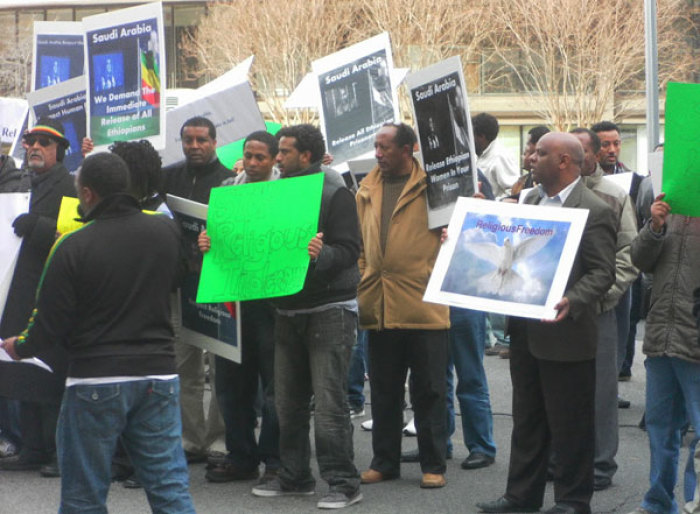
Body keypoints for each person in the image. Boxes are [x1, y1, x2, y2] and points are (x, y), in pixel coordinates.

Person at [1, 152, 195, 513]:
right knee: (169, 486)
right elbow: (178, 279)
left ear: (87, 194)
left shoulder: (71, 245)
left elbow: (48, 322)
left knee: (83, 495)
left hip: (95, 379)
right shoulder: (165, 230)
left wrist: (20, 346)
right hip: (158, 373)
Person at [477, 132, 616, 514]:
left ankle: (572, 501)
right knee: (528, 421)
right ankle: (521, 497)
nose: (530, 158)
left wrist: (574, 298)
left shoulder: (595, 209)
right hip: (525, 332)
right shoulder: (530, 200)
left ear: (564, 162)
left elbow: (603, 272)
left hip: (567, 335)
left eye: (540, 153)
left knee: (570, 425)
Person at [250, 124, 362, 509]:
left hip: (329, 311)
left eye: (284, 152)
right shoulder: (270, 195)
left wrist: (323, 254)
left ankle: (344, 483)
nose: (277, 158)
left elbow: (350, 250)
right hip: (286, 311)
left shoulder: (335, 194)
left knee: (330, 406)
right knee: (287, 404)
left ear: (307, 156)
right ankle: (295, 477)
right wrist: (218, 246)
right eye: (277, 152)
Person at [357, 122, 450, 490]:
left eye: (385, 147)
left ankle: (433, 464)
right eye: (376, 147)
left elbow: (458, 232)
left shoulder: (436, 186)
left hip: (423, 303)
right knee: (383, 389)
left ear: (408, 149)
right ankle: (384, 462)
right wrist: (365, 272)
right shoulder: (366, 188)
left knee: (429, 391)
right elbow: (362, 245)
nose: (378, 154)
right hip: (378, 304)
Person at [197, 131, 281, 484]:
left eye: (261, 157)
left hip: (272, 303)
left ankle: (275, 459)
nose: (254, 163)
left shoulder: (288, 193)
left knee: (274, 386)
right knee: (231, 386)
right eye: (249, 155)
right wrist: (206, 241)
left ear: (275, 158)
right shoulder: (228, 190)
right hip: (234, 302)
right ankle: (241, 456)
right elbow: (217, 239)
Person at [0, 119, 75, 476]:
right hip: (20, 288)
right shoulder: (23, 184)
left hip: (53, 291)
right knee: (22, 369)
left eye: (44, 142)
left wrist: (40, 227)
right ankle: (33, 446)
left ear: (59, 149)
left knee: (51, 373)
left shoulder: (71, 185)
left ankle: (59, 452)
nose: (34, 147)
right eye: (30, 140)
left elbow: (74, 235)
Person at [571, 127, 638, 491]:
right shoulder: (545, 196)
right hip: (561, 312)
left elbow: (630, 252)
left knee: (601, 391)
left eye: (580, 150)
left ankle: (600, 466)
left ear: (594, 154)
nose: (573, 158)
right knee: (561, 389)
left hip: (599, 309)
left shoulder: (614, 196)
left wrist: (605, 292)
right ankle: (560, 460)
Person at [162, 116, 233, 462]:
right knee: (183, 365)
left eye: (201, 140)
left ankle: (219, 438)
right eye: (188, 140)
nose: (194, 146)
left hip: (220, 287)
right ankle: (190, 438)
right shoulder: (169, 177)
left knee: (221, 368)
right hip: (180, 285)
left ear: (215, 141)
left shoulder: (230, 182)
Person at [626, 193, 700, 514]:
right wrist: (654, 226)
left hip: (694, 339)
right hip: (660, 336)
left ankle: (693, 502)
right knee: (660, 427)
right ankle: (658, 502)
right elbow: (639, 260)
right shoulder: (670, 205)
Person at [591, 120, 638, 408]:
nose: (612, 149)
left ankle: (612, 386)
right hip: (593, 275)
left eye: (616, 143)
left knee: (622, 330)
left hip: (621, 270)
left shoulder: (635, 181)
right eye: (606, 144)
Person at [472, 112, 519, 199]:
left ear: (482, 137)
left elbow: (514, 192)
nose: (469, 141)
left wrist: (490, 202)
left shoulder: (500, 156)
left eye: (472, 136)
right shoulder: (478, 155)